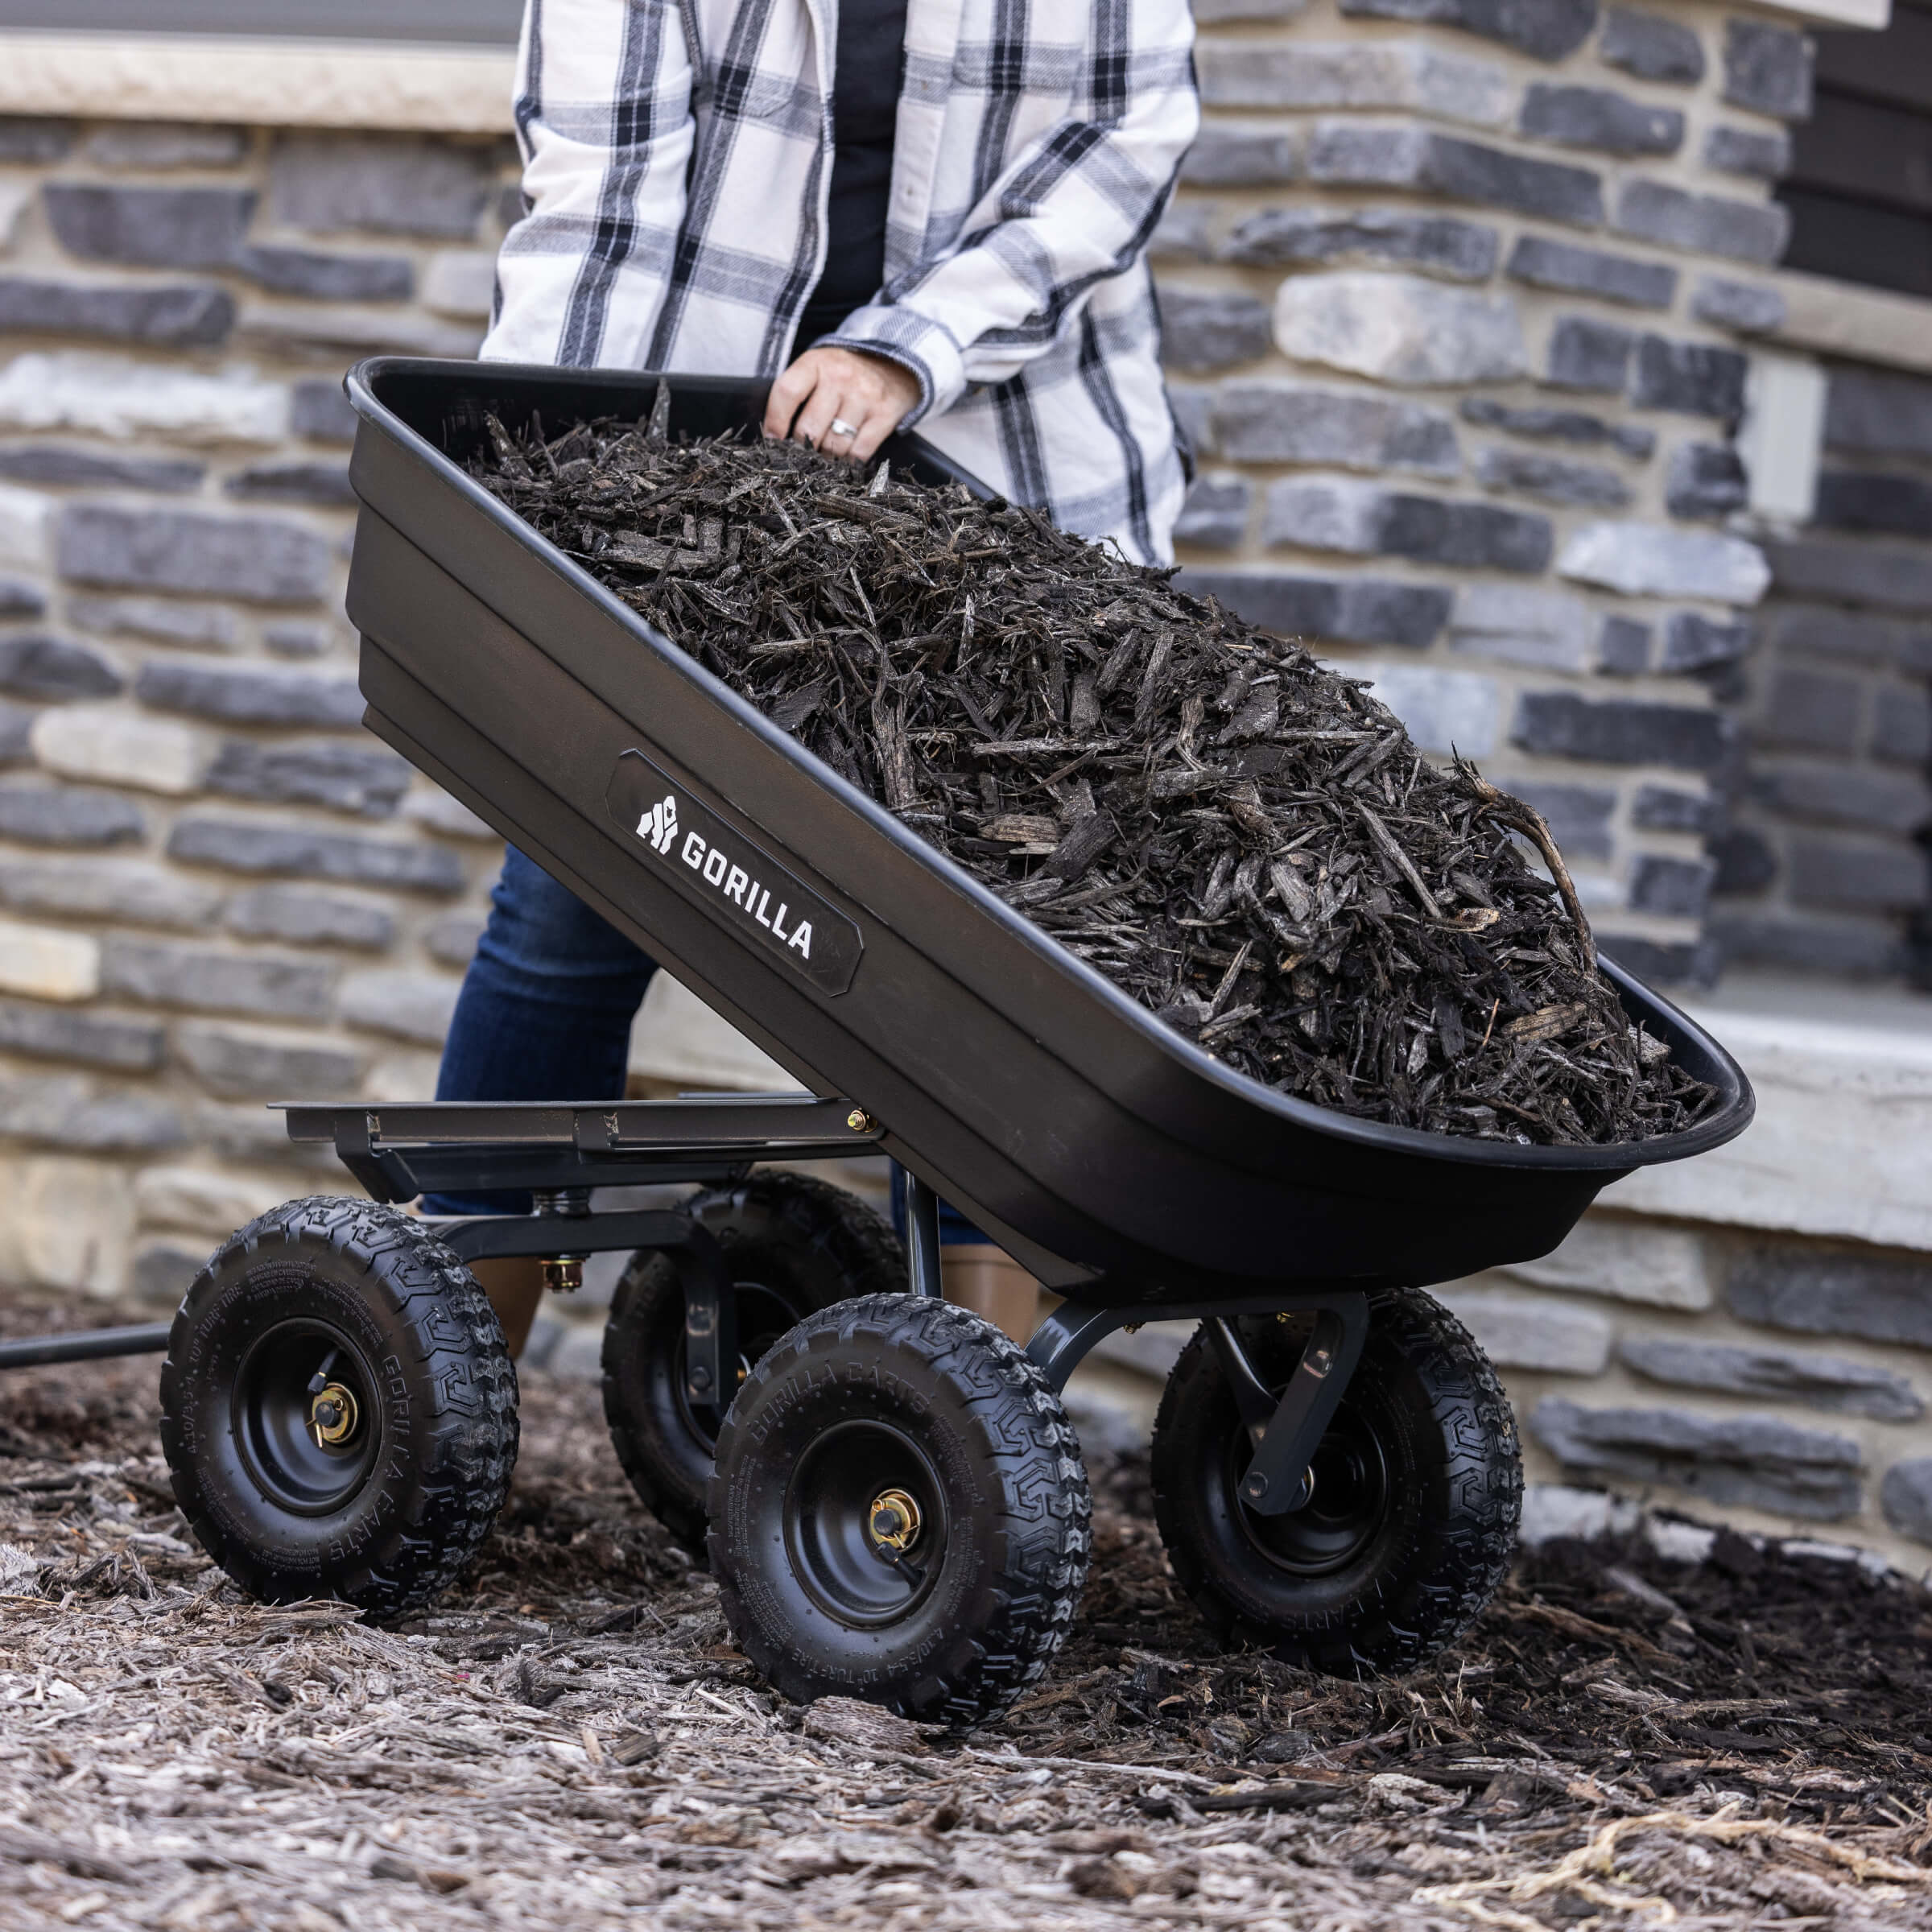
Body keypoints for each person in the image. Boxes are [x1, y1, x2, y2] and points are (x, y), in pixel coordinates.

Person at [428, 0, 1201, 1354]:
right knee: (568, 910)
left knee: (993, 957)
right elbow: (603, 200)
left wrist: (909, 346)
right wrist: (531, 488)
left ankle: (975, 1445)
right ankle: (438, 1384)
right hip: (705, 492)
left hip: (1017, 473)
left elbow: (1123, 144)